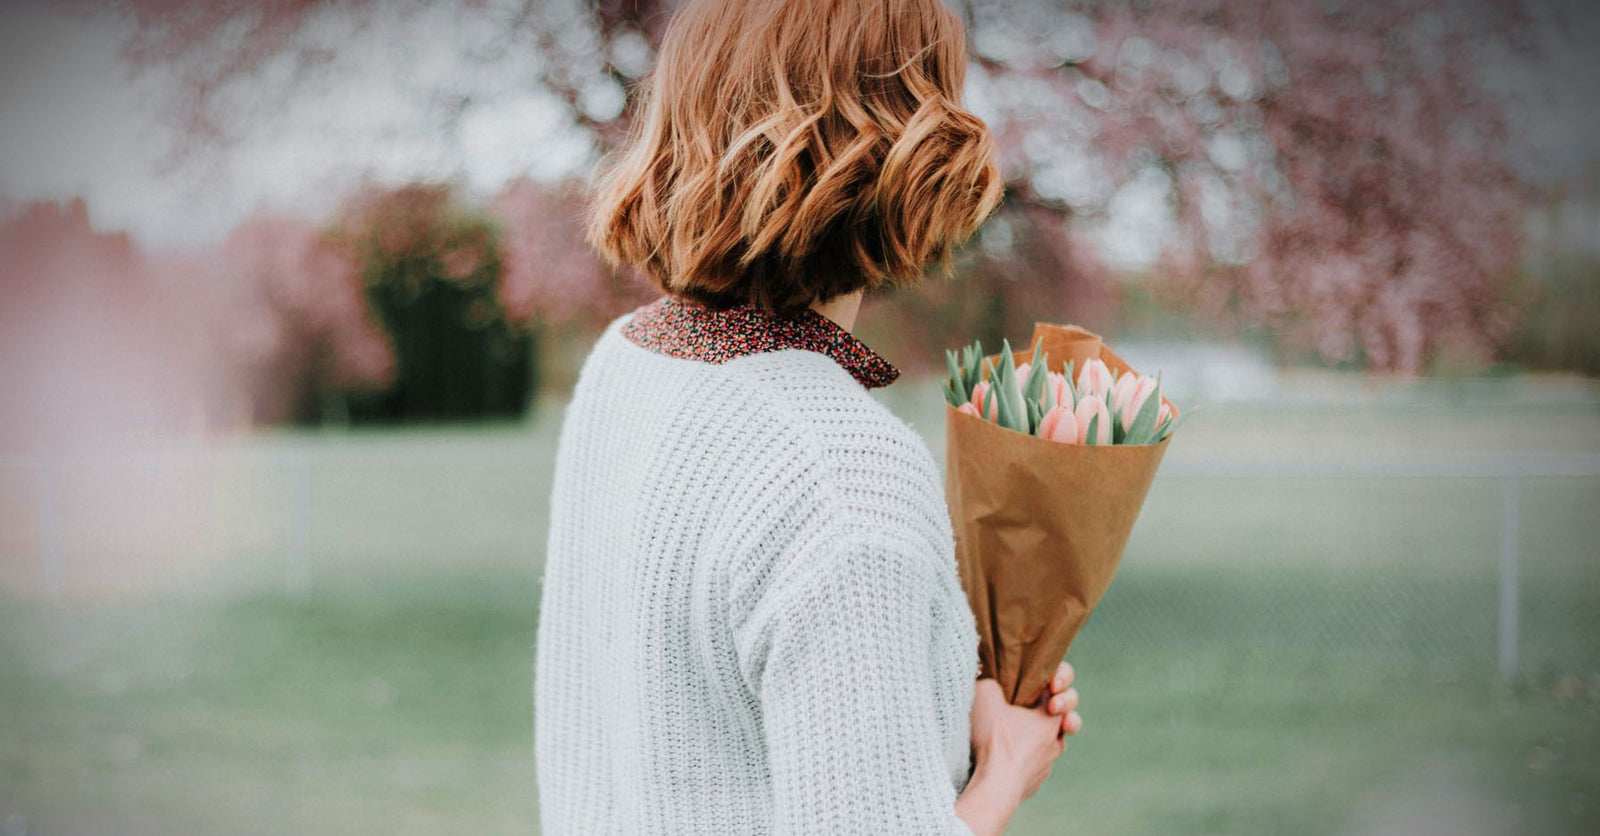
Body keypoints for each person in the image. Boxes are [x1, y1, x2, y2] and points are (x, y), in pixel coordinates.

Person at [534, 1, 1081, 833]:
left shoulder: (627, 359)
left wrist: (936, 693)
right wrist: (1006, 770)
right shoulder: (838, 471)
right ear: (916, 142)